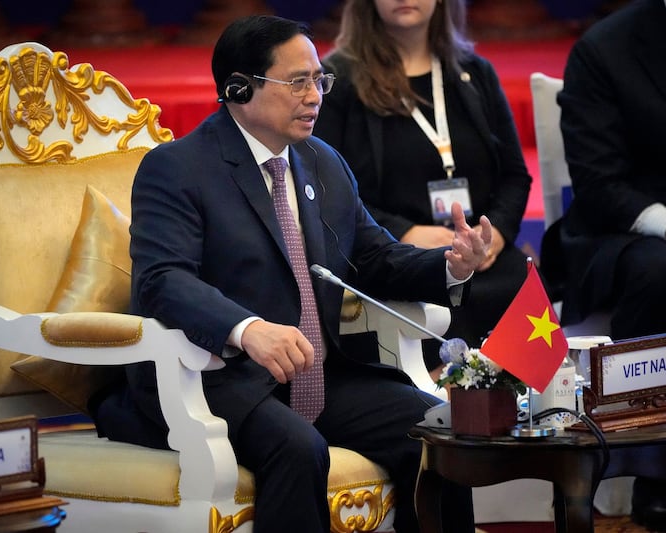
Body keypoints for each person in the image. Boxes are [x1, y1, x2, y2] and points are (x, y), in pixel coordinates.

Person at [90, 15, 492, 533]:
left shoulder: (321, 161)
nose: (315, 96)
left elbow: (372, 259)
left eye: (320, 80)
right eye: (298, 81)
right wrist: (247, 329)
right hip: (218, 379)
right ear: (239, 88)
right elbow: (163, 279)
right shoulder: (178, 168)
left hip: (321, 376)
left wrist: (450, 265)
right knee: (300, 449)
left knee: (441, 430)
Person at [544, 0, 666, 530]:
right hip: (627, 230)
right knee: (661, 272)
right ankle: (655, 476)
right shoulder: (605, 50)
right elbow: (599, 185)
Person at [313, 0, 533, 375]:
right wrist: (405, 233)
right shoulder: (338, 79)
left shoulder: (474, 72)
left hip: (485, 256)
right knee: (446, 300)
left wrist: (493, 234)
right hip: (398, 259)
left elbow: (514, 175)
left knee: (519, 291)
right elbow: (322, 186)